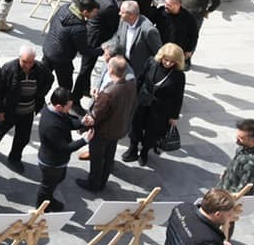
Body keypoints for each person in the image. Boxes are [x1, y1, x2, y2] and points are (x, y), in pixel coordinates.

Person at [0, 45, 54, 172]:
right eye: (25, 62)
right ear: (19, 58)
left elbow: (50, 79)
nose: (28, 65)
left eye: (31, 62)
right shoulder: (8, 69)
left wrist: (40, 94)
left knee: (23, 138)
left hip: (27, 111)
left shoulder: (40, 69)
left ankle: (15, 158)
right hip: (9, 110)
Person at [77, 56, 137, 193]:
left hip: (102, 132)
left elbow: (95, 116)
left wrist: (84, 124)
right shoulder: (130, 85)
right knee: (109, 156)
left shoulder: (108, 93)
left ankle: (93, 184)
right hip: (118, 129)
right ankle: (103, 182)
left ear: (110, 69)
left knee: (97, 159)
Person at [124, 43, 186, 166]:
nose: (168, 63)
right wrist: (132, 97)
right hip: (142, 101)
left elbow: (178, 96)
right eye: (166, 60)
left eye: (172, 61)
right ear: (161, 56)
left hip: (161, 108)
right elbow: (140, 79)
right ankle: (132, 148)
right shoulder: (151, 63)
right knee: (135, 124)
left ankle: (145, 152)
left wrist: (174, 116)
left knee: (152, 131)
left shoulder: (179, 75)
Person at [36, 87, 91, 211]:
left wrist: (82, 122)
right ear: (59, 106)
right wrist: (84, 140)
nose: (69, 109)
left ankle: (48, 199)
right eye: (68, 106)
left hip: (58, 161)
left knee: (58, 179)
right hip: (51, 163)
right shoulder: (51, 126)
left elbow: (68, 122)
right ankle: (41, 207)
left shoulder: (57, 112)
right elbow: (65, 148)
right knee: (47, 187)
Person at [160, 189, 239, 245]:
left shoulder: (181, 208)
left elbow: (189, 237)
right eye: (229, 214)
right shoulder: (210, 243)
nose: (230, 217)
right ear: (217, 214)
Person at [42, 0, 102, 92]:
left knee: (42, 79)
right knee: (66, 87)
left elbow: (52, 22)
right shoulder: (79, 28)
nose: (95, 15)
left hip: (48, 49)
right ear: (85, 12)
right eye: (94, 12)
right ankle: (63, 103)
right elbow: (84, 51)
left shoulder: (64, 7)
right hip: (62, 58)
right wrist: (101, 51)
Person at [104, 0, 164, 82]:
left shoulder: (148, 30)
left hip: (140, 72)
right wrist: (109, 47)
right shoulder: (123, 21)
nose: (119, 14)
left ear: (131, 15)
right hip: (124, 64)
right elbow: (118, 36)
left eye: (122, 12)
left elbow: (158, 53)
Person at [217, 118, 254, 194]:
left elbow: (242, 192)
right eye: (237, 136)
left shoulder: (252, 163)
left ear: (253, 141)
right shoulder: (245, 146)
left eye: (241, 138)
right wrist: (226, 172)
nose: (236, 139)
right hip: (224, 187)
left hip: (227, 198)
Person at [153, 0, 200, 66]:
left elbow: (193, 35)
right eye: (165, 3)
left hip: (178, 52)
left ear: (178, 5)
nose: (166, 6)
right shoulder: (160, 12)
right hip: (162, 50)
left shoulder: (188, 17)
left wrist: (189, 50)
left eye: (169, 5)